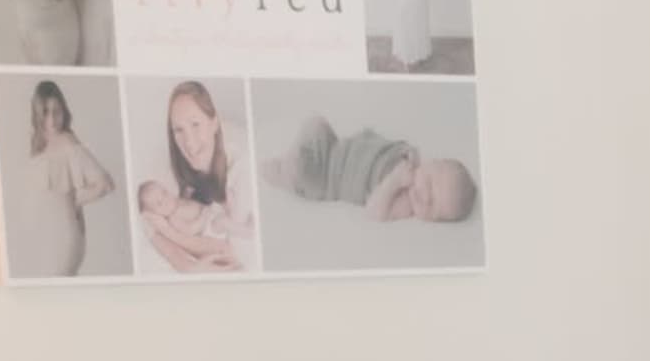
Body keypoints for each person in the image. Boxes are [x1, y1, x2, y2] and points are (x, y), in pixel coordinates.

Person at [271, 109, 475, 226]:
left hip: (327, 178)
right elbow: (395, 149)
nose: (425, 197)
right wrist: (409, 153)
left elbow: (374, 212)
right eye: (429, 184)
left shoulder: (405, 205)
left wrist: (394, 181)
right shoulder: (412, 160)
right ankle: (292, 160)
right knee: (317, 122)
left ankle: (280, 172)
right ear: (431, 163)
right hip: (335, 148)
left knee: (299, 171)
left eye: (432, 207)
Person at [137, 80, 247, 273]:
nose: (188, 141)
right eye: (178, 130)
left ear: (214, 124)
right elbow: (149, 223)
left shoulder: (240, 166)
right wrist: (189, 266)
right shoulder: (174, 175)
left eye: (195, 124)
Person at [10, 78, 114, 279]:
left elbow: (105, 183)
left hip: (62, 237)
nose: (51, 119)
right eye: (46, 112)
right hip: (42, 236)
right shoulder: (38, 145)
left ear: (64, 110)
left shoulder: (67, 141)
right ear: (37, 114)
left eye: (56, 111)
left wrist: (74, 201)